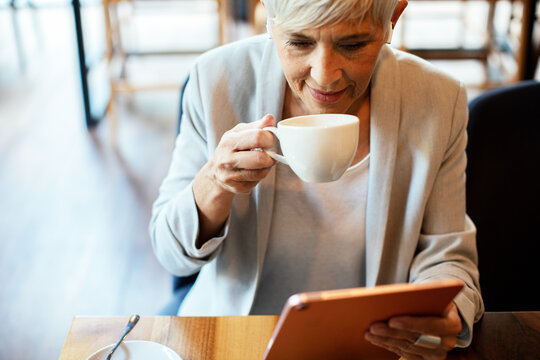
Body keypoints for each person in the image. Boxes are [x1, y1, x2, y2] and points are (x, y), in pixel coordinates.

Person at [149, 0, 484, 358]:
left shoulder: (438, 100)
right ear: (269, 17)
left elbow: (450, 259)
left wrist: (445, 313)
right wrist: (214, 183)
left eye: (353, 45)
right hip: (235, 336)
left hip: (368, 345)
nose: (324, 75)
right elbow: (171, 254)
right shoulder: (216, 80)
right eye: (299, 42)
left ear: (393, 18)